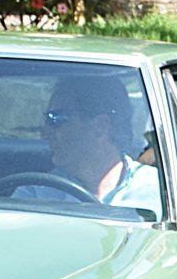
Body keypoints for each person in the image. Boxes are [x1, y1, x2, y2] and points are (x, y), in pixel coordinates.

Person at [32, 71, 160, 212]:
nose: (44, 134)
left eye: (56, 119)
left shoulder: (161, 194)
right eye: (47, 120)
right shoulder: (36, 194)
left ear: (100, 127)